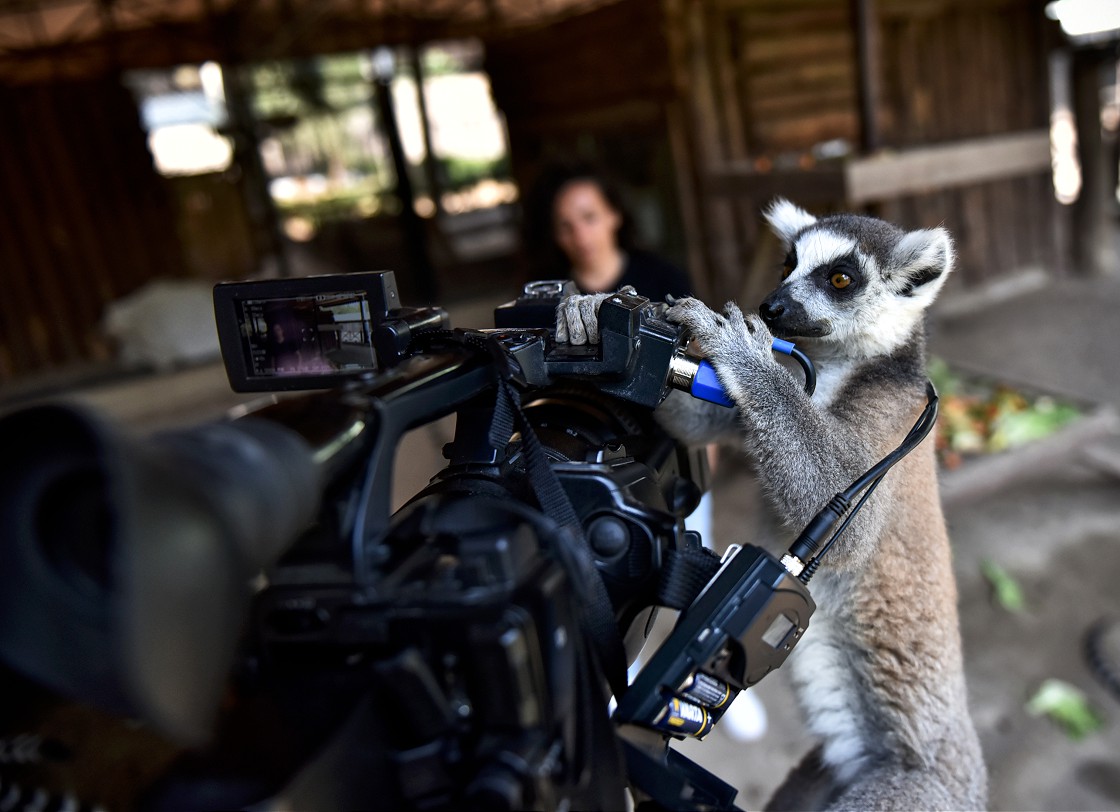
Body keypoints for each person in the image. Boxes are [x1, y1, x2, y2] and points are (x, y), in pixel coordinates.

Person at [525, 164, 692, 302]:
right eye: (565, 226)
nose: (580, 237)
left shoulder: (665, 279)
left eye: (589, 217)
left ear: (615, 214)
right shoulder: (543, 296)